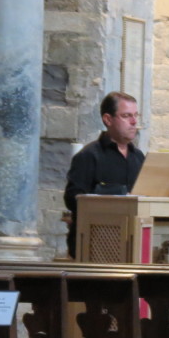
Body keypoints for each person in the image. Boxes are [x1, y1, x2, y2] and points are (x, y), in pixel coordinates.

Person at [64, 91, 145, 257]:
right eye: (126, 115)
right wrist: (122, 194)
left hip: (133, 244)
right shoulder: (89, 156)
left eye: (135, 115)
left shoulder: (138, 157)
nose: (134, 121)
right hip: (97, 245)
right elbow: (73, 197)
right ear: (108, 119)